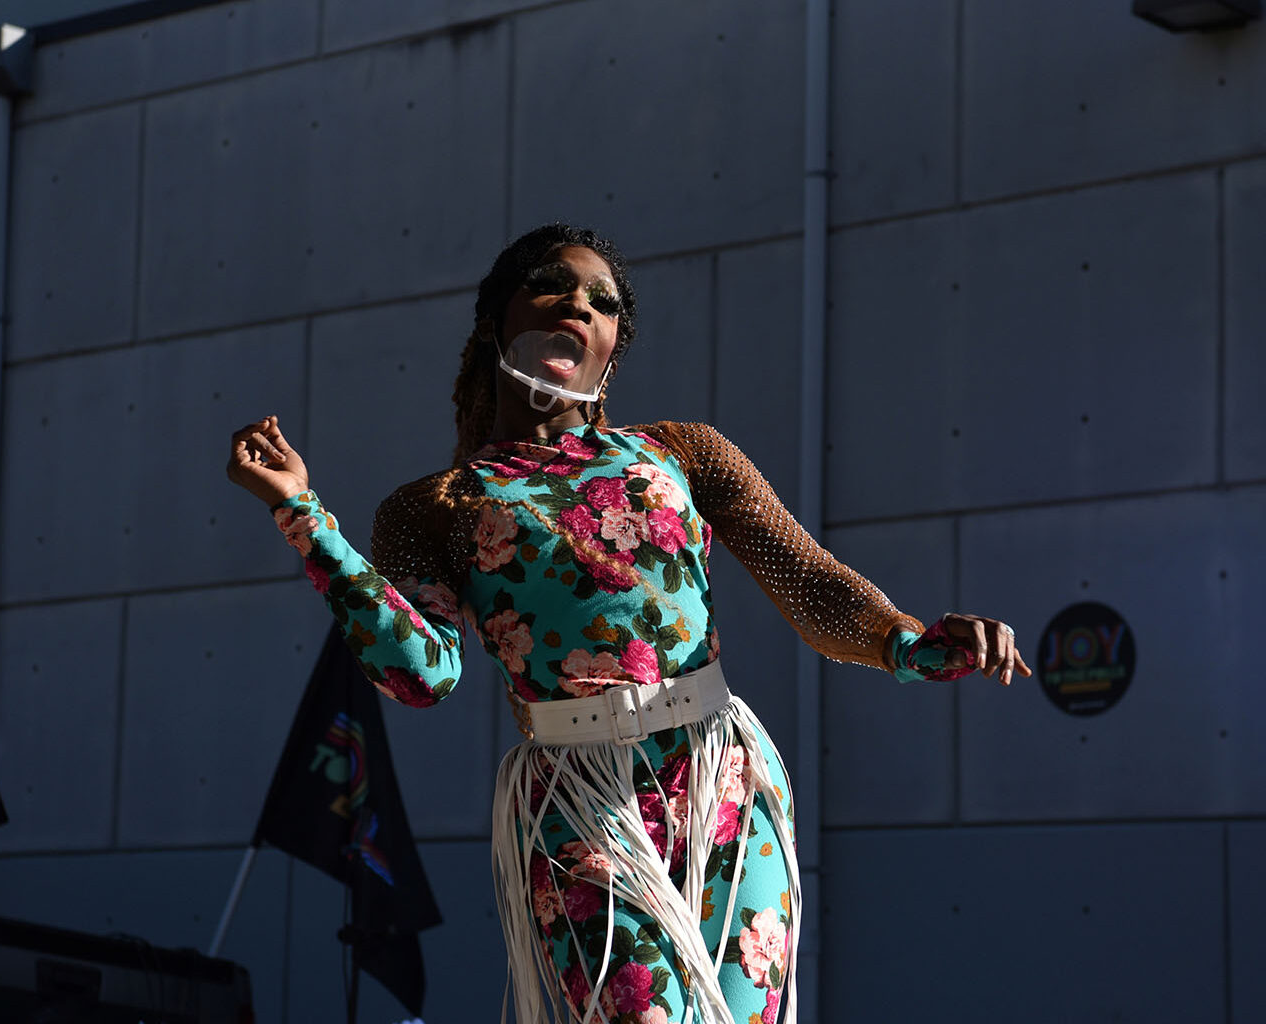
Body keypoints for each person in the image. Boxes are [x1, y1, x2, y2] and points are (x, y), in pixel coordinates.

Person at [226, 224, 1030, 1024]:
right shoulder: (432, 506)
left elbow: (807, 579)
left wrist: (912, 644)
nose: (579, 301)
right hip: (576, 801)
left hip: (724, 778)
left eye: (603, 300)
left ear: (614, 347)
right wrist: (304, 516)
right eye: (553, 283)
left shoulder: (683, 453)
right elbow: (421, 675)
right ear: (494, 320)